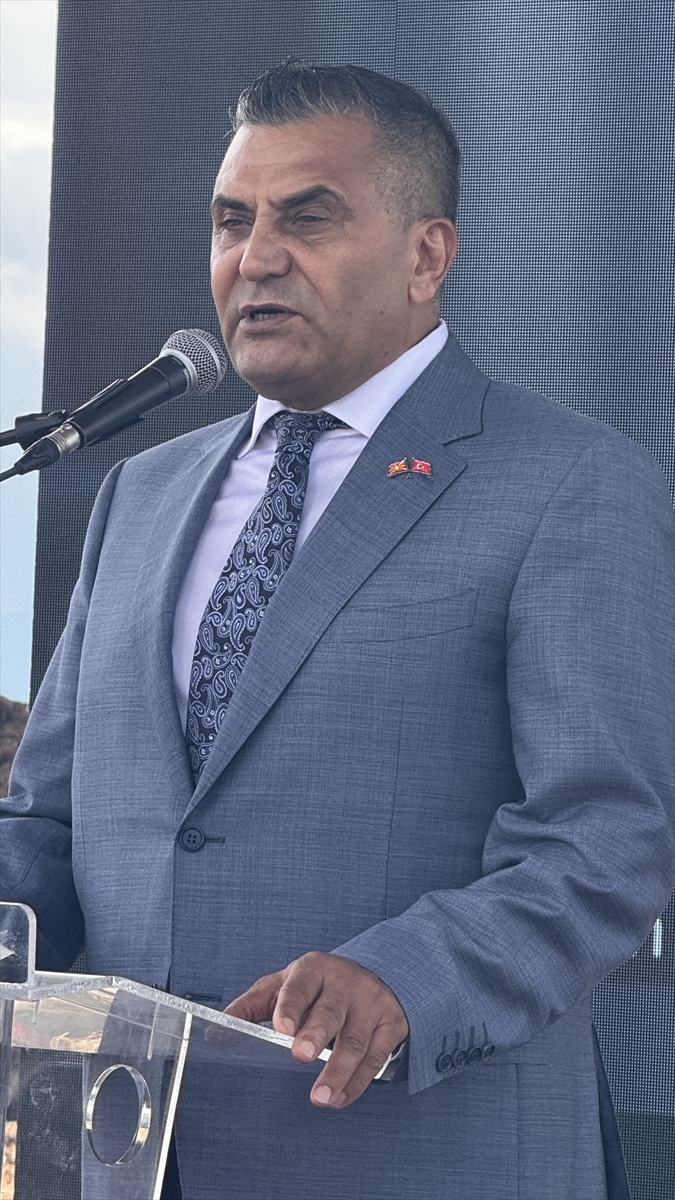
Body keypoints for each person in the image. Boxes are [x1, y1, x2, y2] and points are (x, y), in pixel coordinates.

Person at [2, 62, 673, 1200]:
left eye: (306, 219)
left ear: (426, 255)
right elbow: (54, 818)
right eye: (232, 221)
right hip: (118, 1160)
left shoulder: (569, 483)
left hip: (414, 1157)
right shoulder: (142, 494)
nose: (256, 258)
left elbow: (607, 840)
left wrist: (407, 980)